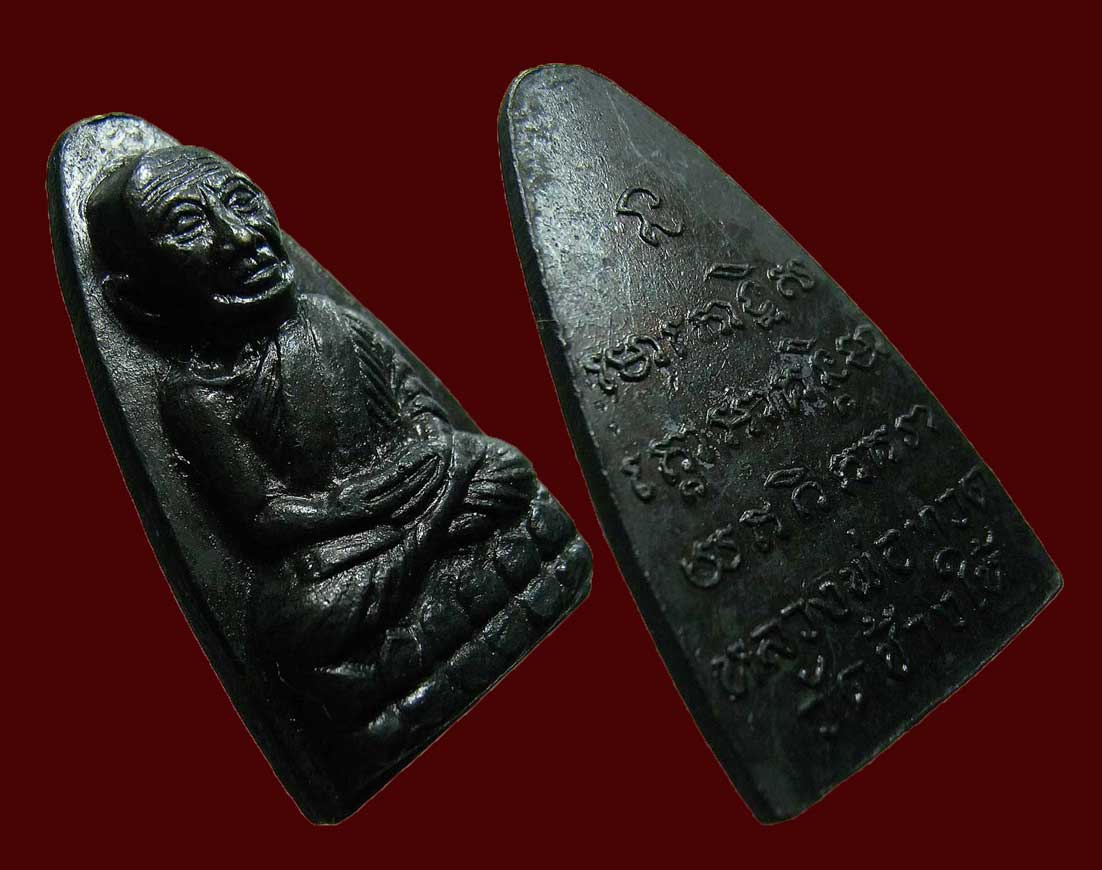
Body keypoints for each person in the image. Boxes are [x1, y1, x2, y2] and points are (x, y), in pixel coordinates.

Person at [87, 146, 540, 679]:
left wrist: (431, 451)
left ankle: (421, 562)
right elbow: (263, 514)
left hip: (418, 488)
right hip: (343, 542)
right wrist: (349, 505)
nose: (240, 236)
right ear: (140, 298)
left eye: (241, 201)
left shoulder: (330, 316)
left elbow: (414, 400)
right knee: (294, 616)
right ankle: (427, 557)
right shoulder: (198, 393)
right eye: (188, 225)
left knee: (506, 468)